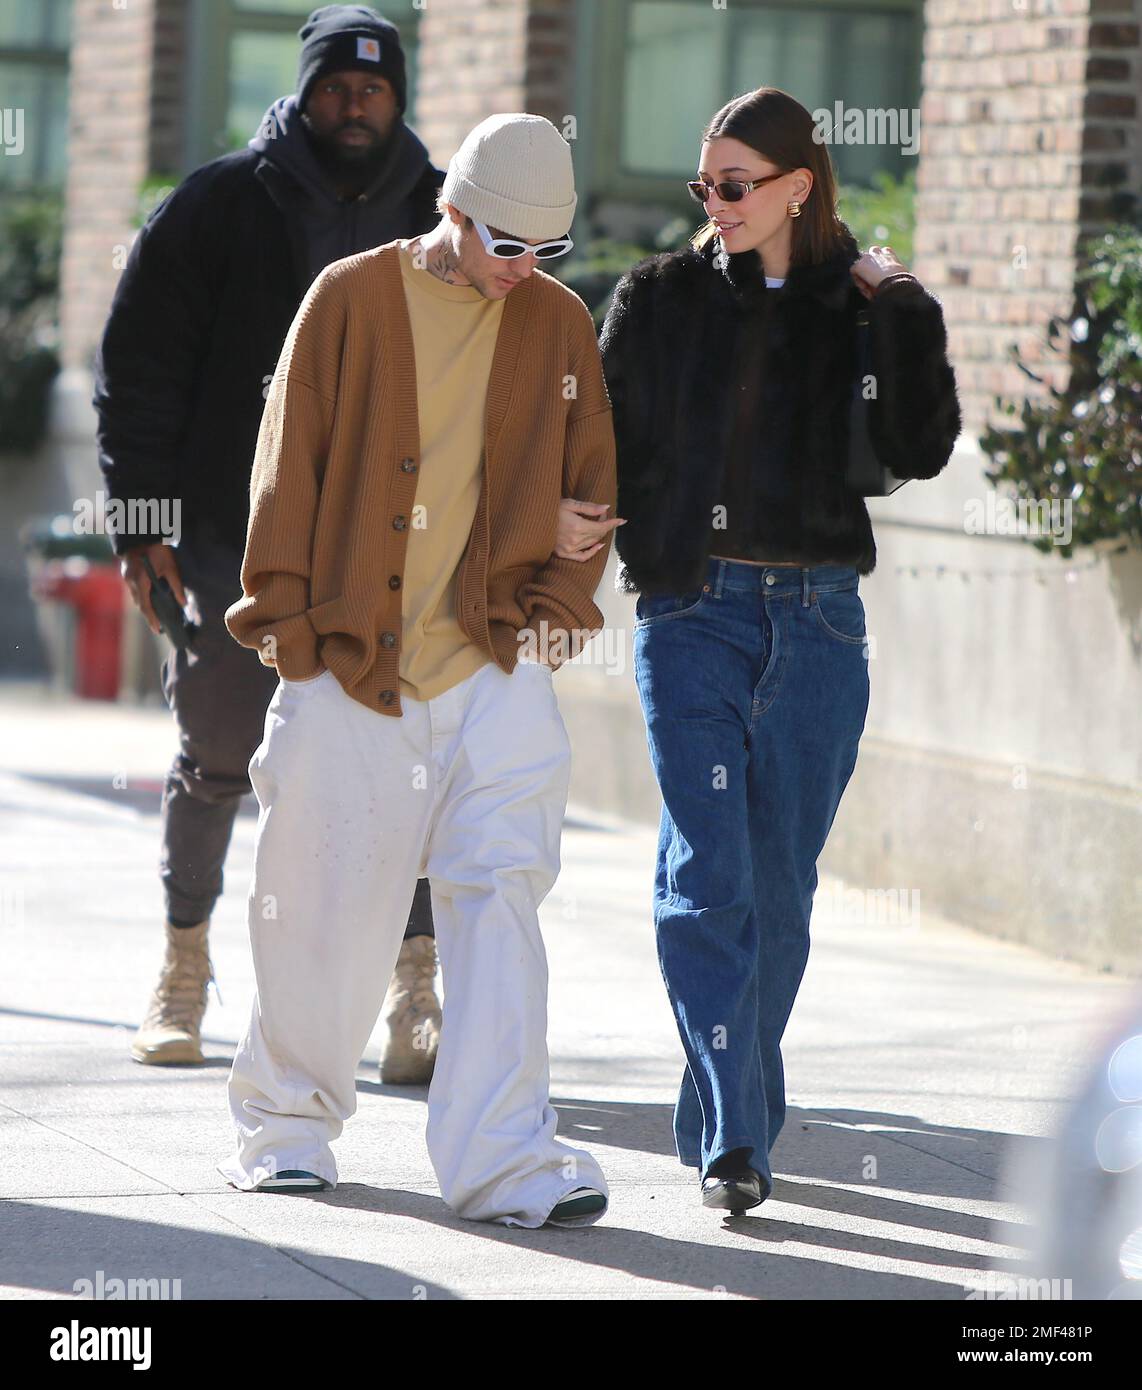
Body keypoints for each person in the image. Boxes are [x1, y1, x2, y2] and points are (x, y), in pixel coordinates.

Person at [216, 114, 616, 1228]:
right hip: (351, 659)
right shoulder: (349, 298)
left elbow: (590, 483)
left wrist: (552, 615)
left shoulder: (557, 322)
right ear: (453, 210)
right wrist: (291, 637)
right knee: (323, 906)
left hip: (494, 661)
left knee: (501, 899)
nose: (521, 269)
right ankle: (286, 1130)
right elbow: (285, 467)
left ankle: (505, 1159)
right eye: (504, 245)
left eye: (545, 250)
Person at [574, 86, 961, 1214]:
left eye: (737, 184)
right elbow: (596, 436)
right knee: (710, 874)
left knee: (778, 890)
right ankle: (738, 1136)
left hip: (819, 621)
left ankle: (719, 1108)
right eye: (705, 185)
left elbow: (920, 447)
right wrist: (573, 527)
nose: (716, 203)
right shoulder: (658, 297)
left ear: (798, 186)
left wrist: (902, 306)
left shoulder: (855, 307)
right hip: (693, 613)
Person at [91, 5, 447, 1081]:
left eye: (373, 89)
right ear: (305, 91)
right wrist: (141, 524)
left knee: (410, 754)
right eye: (336, 86)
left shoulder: (440, 214)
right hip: (229, 529)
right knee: (218, 742)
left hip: (393, 536)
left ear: (398, 98)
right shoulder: (216, 206)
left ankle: (415, 987)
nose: (355, 106)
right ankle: (183, 964)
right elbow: (139, 372)